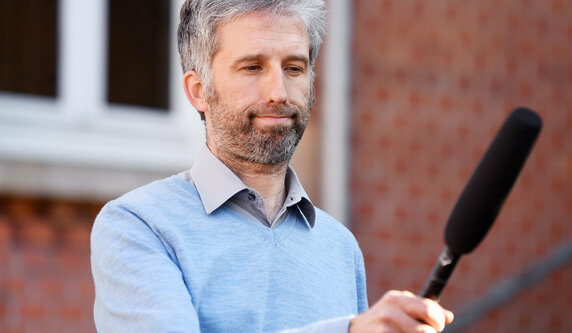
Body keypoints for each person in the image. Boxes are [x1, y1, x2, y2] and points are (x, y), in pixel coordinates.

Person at [90, 0, 454, 332]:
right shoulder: (138, 226)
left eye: (294, 68)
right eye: (252, 67)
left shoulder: (340, 247)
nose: (279, 91)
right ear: (198, 91)